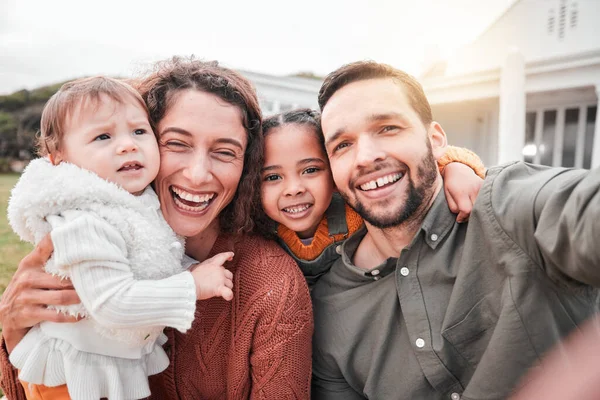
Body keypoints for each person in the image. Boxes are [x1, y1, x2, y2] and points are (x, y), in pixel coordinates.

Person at [0, 58, 313, 400]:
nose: (197, 174)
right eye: (176, 143)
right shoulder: (82, 234)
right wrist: (13, 328)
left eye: (225, 152)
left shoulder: (272, 286)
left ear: (246, 167)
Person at [310, 61, 600, 400]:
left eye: (387, 128)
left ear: (435, 140)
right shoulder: (329, 307)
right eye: (342, 145)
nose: (365, 157)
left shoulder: (508, 207)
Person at [7, 76, 234, 400]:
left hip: (102, 365)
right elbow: (111, 304)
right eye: (103, 136)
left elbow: (148, 259)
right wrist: (193, 285)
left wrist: (191, 268)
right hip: (70, 376)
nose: (128, 144)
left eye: (139, 131)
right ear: (60, 156)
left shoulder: (134, 201)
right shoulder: (83, 220)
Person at [261, 109, 485, 288]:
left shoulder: (357, 205)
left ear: (334, 172)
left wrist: (458, 169)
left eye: (310, 170)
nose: (293, 189)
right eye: (272, 177)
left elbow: (431, 156)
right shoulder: (258, 226)